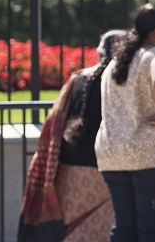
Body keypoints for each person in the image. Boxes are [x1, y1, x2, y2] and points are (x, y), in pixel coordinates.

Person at [18, 29, 125, 242]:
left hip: (71, 168)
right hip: (109, 166)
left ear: (98, 52)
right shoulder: (123, 81)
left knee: (70, 230)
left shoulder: (78, 79)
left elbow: (57, 121)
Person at [96, 5, 155, 242]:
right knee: (152, 234)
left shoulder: (116, 63)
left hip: (114, 155)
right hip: (153, 156)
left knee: (125, 230)